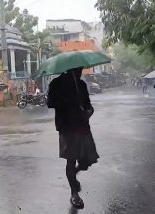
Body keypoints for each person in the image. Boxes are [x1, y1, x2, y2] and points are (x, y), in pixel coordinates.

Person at [47, 67, 99, 209]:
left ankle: (74, 175)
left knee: (87, 160)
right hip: (67, 127)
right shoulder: (56, 84)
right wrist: (65, 102)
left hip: (82, 125)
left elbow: (88, 104)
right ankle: (74, 193)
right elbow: (50, 103)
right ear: (70, 69)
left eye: (81, 69)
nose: (80, 71)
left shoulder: (81, 84)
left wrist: (88, 111)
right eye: (78, 69)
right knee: (71, 160)